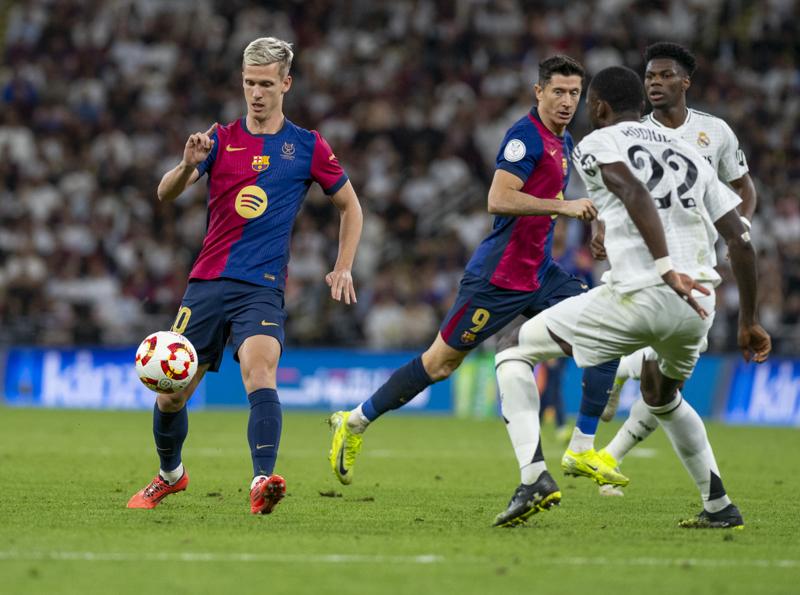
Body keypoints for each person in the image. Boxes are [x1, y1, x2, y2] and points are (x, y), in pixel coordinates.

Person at [328, 55, 627, 527]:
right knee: (439, 364)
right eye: (558, 92)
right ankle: (355, 420)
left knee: (603, 324)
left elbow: (554, 206)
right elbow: (498, 198)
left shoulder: (564, 140)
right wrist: (564, 207)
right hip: (498, 279)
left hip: (540, 273)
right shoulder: (524, 137)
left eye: (574, 93)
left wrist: (592, 227)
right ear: (538, 92)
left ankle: (583, 446)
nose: (567, 101)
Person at [493, 65, 770, 528]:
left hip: (643, 292)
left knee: (512, 349)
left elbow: (632, 190)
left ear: (598, 106)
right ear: (640, 105)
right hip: (699, 304)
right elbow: (741, 240)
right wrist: (749, 321)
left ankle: (534, 477)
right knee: (662, 397)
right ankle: (719, 506)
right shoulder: (690, 152)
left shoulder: (597, 142)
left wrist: (664, 268)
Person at [127, 37, 363, 515]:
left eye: (266, 84)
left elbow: (350, 206)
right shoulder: (219, 139)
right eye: (249, 83)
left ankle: (261, 481)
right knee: (171, 395)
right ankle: (170, 475)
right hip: (208, 283)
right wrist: (186, 165)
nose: (256, 93)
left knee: (260, 371)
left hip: (261, 287)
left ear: (286, 84)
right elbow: (165, 193)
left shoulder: (307, 146)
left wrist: (343, 265)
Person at [592, 42, 758, 495]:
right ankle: (612, 451)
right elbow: (613, 189)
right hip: (647, 262)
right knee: (662, 382)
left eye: (665, 75)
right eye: (649, 76)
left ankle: (615, 394)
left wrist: (739, 229)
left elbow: (744, 185)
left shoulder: (715, 132)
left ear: (686, 81)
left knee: (664, 382)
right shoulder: (630, 133)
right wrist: (601, 227)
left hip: (698, 264)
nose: (655, 83)